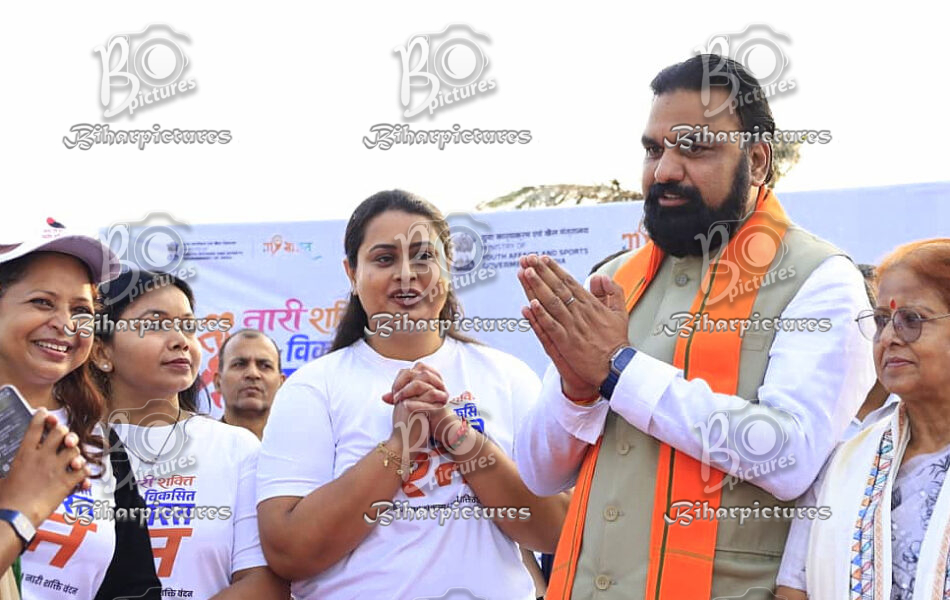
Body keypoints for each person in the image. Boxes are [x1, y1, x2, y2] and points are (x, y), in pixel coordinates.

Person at [513, 54, 876, 599]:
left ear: (757, 161)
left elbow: (790, 456)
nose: (664, 171)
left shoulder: (819, 278)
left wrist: (618, 371)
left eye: (693, 148)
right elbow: (541, 476)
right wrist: (576, 388)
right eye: (654, 149)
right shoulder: (614, 279)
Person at [256, 190, 570, 599]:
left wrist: (457, 435)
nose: (407, 273)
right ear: (352, 274)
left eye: (424, 257)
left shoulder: (508, 376)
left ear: (447, 268)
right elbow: (289, 551)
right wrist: (400, 445)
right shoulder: (313, 388)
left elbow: (559, 530)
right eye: (384, 259)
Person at [89, 269, 289, 599]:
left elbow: (264, 581)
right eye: (156, 324)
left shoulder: (235, 447)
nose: (181, 340)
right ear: (101, 352)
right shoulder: (69, 444)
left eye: (187, 326)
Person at [775, 239, 950, 600]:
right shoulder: (843, 462)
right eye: (882, 321)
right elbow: (795, 589)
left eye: (911, 320)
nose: (888, 338)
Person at [0, 228, 139, 599]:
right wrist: (20, 512)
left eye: (81, 310)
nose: (66, 325)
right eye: (43, 302)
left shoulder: (98, 443)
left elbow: (133, 586)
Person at [214, 329, 285, 440]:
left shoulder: (299, 448)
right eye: (239, 364)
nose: (252, 374)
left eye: (265, 366)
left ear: (281, 384)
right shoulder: (197, 446)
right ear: (218, 382)